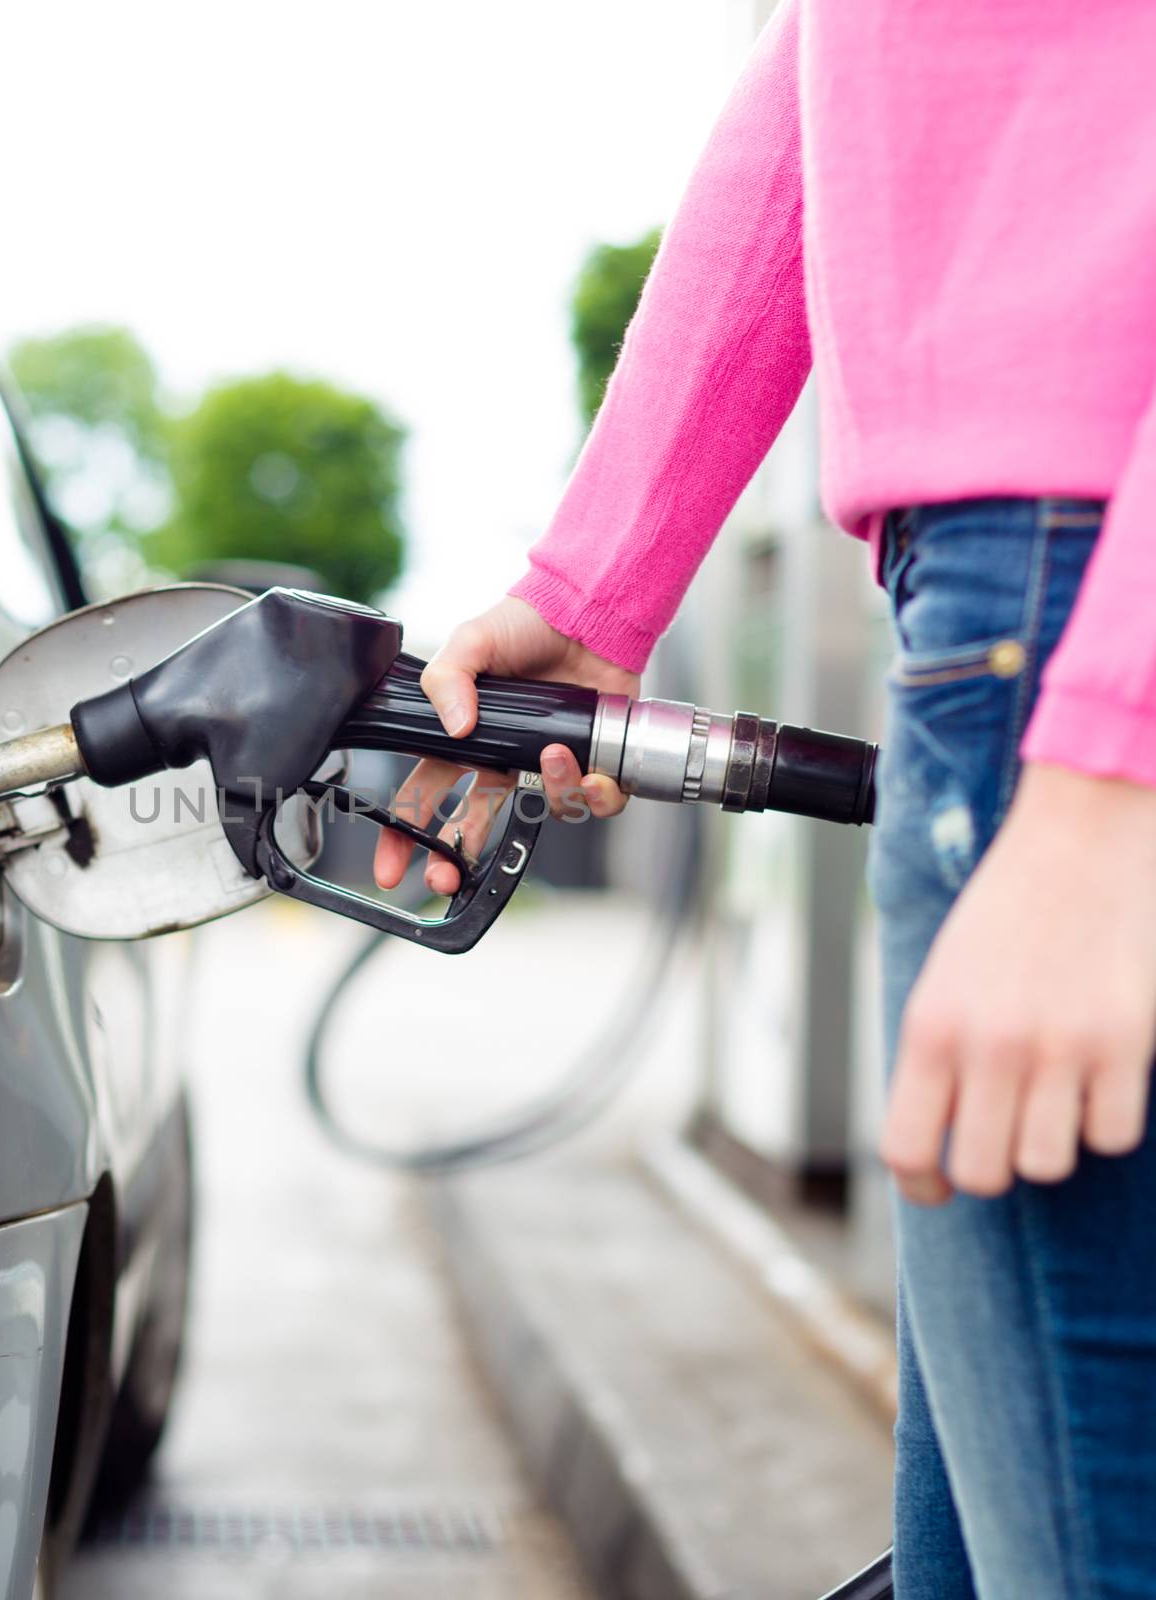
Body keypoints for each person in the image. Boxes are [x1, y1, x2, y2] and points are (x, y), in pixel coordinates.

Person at [372, 4, 1156, 1595]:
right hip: (995, 614)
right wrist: (595, 588)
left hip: (1077, 603)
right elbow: (836, 62)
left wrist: (1116, 763)